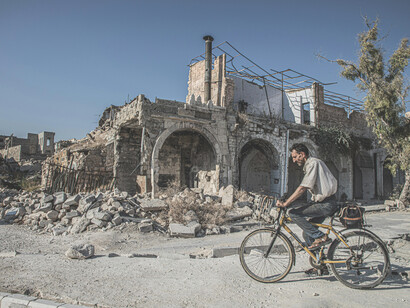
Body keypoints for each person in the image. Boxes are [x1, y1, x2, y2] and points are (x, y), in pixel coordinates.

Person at [276, 143, 338, 252]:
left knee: (293, 214)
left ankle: (321, 237)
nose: (294, 160)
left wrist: (286, 203)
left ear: (302, 154)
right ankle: (319, 264)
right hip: (324, 203)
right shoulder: (313, 163)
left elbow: (303, 188)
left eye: (295, 157)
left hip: (325, 204)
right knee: (308, 233)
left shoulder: (313, 163)